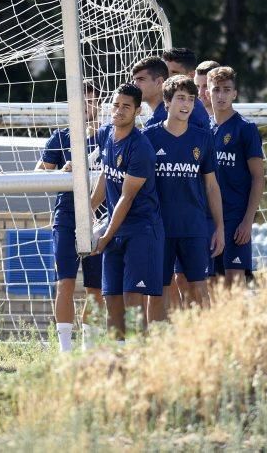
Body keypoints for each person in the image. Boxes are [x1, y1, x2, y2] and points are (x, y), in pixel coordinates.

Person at [90, 83, 165, 342]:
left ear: (137, 110)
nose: (119, 111)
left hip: (141, 230)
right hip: (115, 228)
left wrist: (105, 235)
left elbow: (126, 196)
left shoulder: (141, 147)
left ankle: (139, 362)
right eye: (116, 105)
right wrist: (87, 212)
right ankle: (118, 362)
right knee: (110, 299)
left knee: (132, 302)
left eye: (126, 106)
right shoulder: (106, 134)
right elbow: (104, 174)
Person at [142, 75, 223, 309]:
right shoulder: (149, 136)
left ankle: (206, 341)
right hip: (159, 228)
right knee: (158, 289)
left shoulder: (203, 138)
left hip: (194, 227)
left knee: (199, 287)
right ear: (167, 102)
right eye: (180, 98)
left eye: (190, 99)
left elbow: (211, 185)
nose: (186, 104)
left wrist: (220, 227)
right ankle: (158, 343)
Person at [36, 82, 105, 352]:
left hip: (101, 217)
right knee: (64, 282)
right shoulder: (60, 138)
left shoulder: (108, 136)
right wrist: (61, 172)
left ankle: (90, 348)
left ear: (99, 104)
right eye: (81, 102)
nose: (87, 107)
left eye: (92, 101)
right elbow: (38, 174)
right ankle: (65, 350)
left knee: (96, 287)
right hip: (66, 216)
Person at [208, 66, 264, 287]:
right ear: (208, 93)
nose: (221, 95)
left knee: (234, 282)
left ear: (234, 93)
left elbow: (258, 178)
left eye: (226, 90)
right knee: (210, 284)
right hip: (207, 219)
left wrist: (248, 221)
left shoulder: (245, 128)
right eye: (216, 90)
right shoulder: (203, 130)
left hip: (236, 218)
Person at [132, 55, 210, 130]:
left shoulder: (166, 117)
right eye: (134, 80)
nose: (135, 85)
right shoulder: (193, 101)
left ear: (159, 82)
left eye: (141, 79)